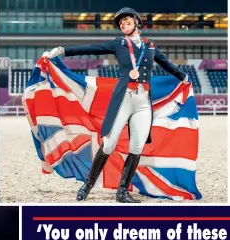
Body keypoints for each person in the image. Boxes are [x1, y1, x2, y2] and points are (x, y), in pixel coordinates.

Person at [42, 7, 188, 203]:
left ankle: (122, 192)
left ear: (136, 21)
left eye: (126, 20)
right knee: (109, 144)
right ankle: (88, 185)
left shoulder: (150, 45)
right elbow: (91, 48)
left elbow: (166, 64)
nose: (122, 24)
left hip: (143, 102)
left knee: (136, 147)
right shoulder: (119, 43)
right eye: (120, 23)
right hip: (124, 99)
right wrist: (63, 50)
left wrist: (184, 77)